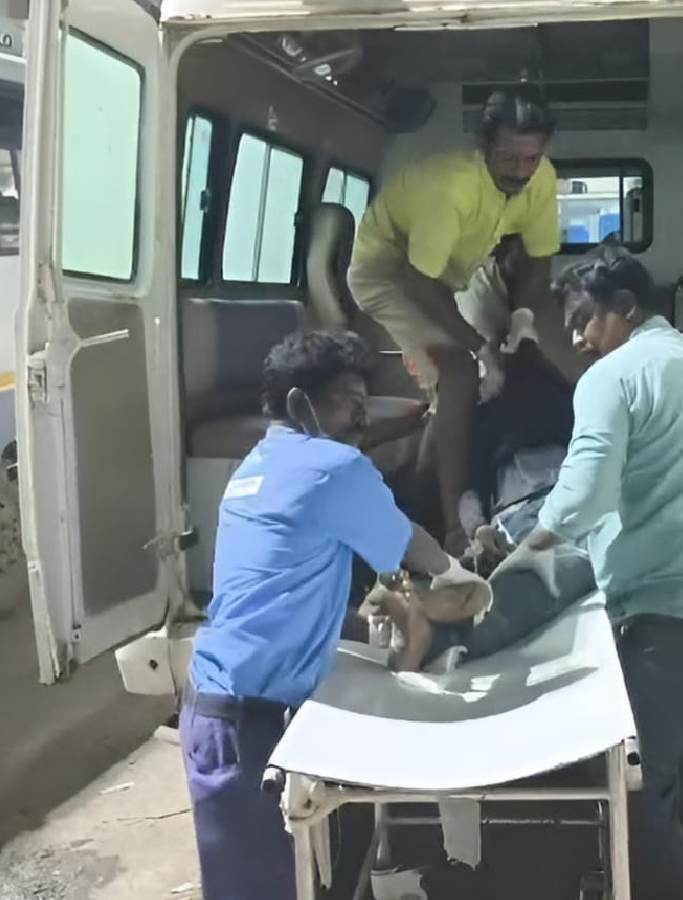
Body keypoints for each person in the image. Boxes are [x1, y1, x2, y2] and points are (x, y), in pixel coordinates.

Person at [505, 247, 683, 900]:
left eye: (584, 319)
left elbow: (583, 493)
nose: (577, 339)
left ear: (625, 307)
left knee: (632, 783)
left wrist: (523, 553)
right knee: (681, 751)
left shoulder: (614, 375)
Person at [179, 331, 488, 900]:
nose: (362, 417)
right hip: (243, 724)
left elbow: (284, 591)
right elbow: (406, 542)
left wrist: (369, 623)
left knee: (279, 877)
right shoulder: (331, 467)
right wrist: (458, 576)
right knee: (264, 888)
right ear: (301, 403)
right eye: (349, 402)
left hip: (218, 709)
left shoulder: (258, 465)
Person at [349, 85, 585, 554]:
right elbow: (419, 281)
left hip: (449, 274)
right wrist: (479, 347)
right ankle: (455, 531)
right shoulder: (452, 188)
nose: (520, 171)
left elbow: (538, 260)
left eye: (531, 158)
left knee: (532, 350)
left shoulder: (539, 179)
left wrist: (524, 321)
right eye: (508, 158)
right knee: (459, 371)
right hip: (389, 272)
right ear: (484, 145)